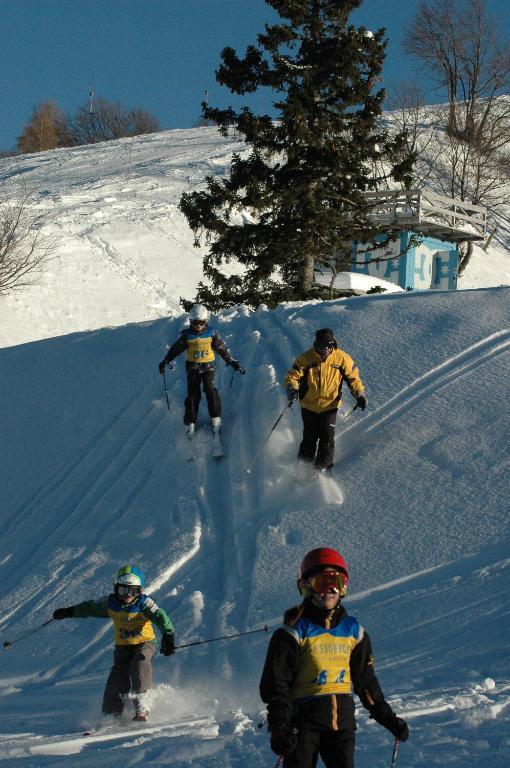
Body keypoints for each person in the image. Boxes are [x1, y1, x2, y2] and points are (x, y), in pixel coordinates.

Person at [259, 547, 409, 768]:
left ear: (344, 588)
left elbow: (365, 682)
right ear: (306, 587)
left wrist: (388, 718)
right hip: (301, 726)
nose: (329, 590)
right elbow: (276, 686)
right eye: (321, 582)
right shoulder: (292, 633)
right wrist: (281, 727)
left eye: (336, 582)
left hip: (341, 727)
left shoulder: (354, 632)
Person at [53, 565, 175, 721]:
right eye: (123, 591)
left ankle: (143, 705)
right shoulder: (110, 603)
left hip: (144, 643)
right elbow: (89, 608)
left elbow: (161, 617)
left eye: (133, 591)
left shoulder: (144, 603)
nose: (127, 596)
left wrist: (168, 637)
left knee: (140, 663)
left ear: (140, 591)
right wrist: (68, 611)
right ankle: (111, 713)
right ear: (116, 589)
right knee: (118, 675)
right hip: (123, 646)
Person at [284, 328, 367, 472]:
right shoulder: (306, 358)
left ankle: (323, 467)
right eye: (322, 346)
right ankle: (302, 466)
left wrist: (359, 395)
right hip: (309, 405)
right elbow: (292, 376)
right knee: (310, 437)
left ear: (332, 344)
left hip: (330, 406)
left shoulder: (342, 358)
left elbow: (354, 379)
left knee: (327, 438)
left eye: (329, 347)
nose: (325, 350)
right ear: (316, 344)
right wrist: (292, 388)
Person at [158, 304, 245, 437]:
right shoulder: (187, 336)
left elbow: (221, 348)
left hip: (208, 367)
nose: (198, 325)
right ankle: (190, 420)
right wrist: (166, 360)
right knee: (193, 393)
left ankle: (215, 416)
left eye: (201, 322)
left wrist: (230, 360)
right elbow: (176, 349)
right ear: (190, 321)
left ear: (206, 321)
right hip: (193, 367)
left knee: (210, 389)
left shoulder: (212, 334)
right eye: (195, 322)